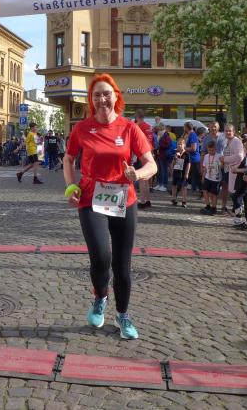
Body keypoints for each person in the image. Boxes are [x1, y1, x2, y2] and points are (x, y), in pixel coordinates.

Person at [63, 74, 156, 340]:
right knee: (101, 257)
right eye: (96, 95)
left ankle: (123, 315)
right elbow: (68, 159)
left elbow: (151, 164)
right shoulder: (82, 128)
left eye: (106, 94)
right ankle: (100, 297)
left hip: (124, 200)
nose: (102, 99)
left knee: (122, 266)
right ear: (91, 100)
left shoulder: (129, 128)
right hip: (91, 199)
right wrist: (71, 186)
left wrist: (137, 174)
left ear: (116, 96)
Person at [220, 124, 244, 215]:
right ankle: (236, 210)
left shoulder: (236, 141)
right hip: (227, 169)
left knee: (236, 191)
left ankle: (238, 212)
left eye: (229, 131)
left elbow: (240, 156)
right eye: (226, 131)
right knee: (232, 191)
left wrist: (225, 159)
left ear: (234, 132)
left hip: (235, 170)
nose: (228, 132)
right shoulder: (226, 141)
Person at [134, 110, 153, 208]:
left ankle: (142, 201)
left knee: (141, 178)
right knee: (146, 179)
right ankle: (148, 200)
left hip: (141, 153)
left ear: (136, 117)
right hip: (149, 152)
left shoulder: (137, 126)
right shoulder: (149, 126)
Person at [200, 140, 221, 215]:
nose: (210, 151)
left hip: (216, 179)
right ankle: (208, 205)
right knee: (204, 190)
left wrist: (220, 164)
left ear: (215, 149)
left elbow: (221, 167)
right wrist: (203, 177)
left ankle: (214, 208)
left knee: (214, 194)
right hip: (207, 177)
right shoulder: (206, 156)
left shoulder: (219, 156)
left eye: (212, 150)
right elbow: (205, 167)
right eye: (209, 150)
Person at [183, 122, 201, 195]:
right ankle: (193, 189)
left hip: (194, 159)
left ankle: (202, 192)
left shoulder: (192, 135)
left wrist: (184, 149)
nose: (183, 128)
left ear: (187, 127)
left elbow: (194, 148)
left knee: (196, 176)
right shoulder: (190, 134)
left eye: (184, 127)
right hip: (191, 158)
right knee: (191, 175)